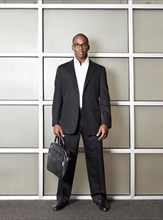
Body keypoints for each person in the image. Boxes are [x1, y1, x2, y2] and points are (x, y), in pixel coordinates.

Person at [51, 33, 112, 212]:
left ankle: (100, 198)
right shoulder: (62, 70)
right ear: (72, 47)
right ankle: (62, 198)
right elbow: (57, 99)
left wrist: (105, 122)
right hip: (68, 122)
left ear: (88, 47)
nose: (80, 48)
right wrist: (55, 122)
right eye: (77, 45)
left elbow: (104, 100)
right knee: (66, 162)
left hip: (93, 121)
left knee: (96, 161)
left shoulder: (99, 70)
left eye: (83, 45)